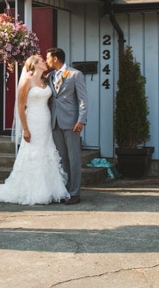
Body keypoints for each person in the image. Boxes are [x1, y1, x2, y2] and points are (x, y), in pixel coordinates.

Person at [0, 55, 69, 205]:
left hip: (46, 121)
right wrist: (25, 129)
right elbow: (20, 106)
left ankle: (51, 189)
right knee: (33, 153)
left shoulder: (45, 80)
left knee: (47, 151)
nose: (45, 62)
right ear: (35, 64)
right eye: (42, 60)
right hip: (32, 120)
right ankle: (34, 190)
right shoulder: (26, 81)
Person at [47, 47, 88, 205]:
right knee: (62, 158)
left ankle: (75, 192)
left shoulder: (75, 74)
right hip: (55, 121)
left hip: (71, 122)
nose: (47, 60)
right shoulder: (50, 76)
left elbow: (83, 99)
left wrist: (81, 119)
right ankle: (64, 190)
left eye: (48, 57)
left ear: (56, 59)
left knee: (74, 157)